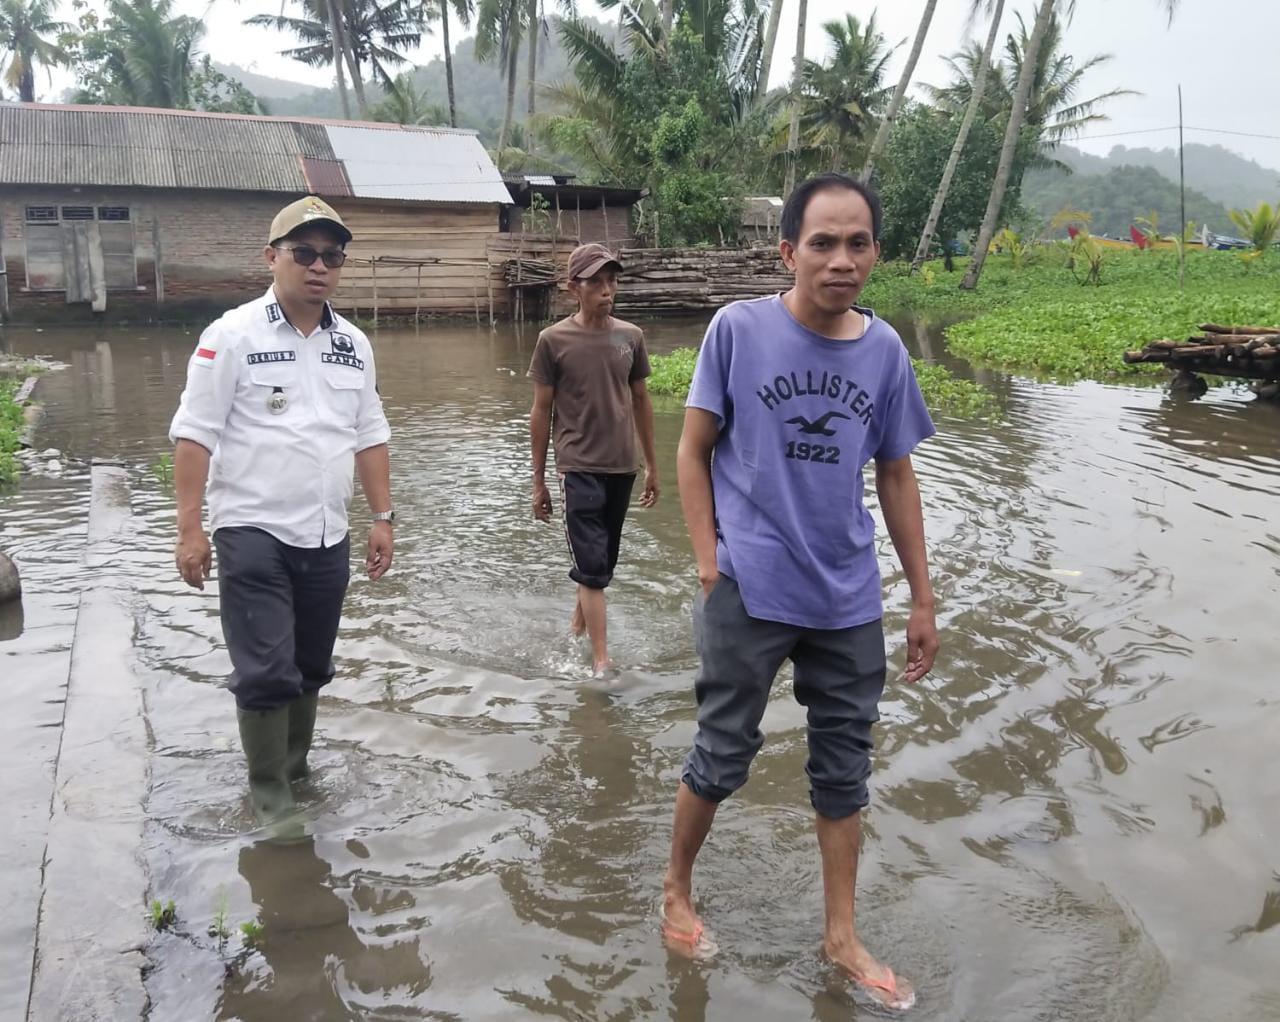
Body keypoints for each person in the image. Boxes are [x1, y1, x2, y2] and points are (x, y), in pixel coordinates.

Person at [660, 173, 939, 1012]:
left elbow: (895, 473)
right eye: (822, 242)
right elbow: (692, 449)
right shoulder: (737, 331)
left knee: (844, 768)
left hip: (847, 598)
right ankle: (676, 889)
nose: (841, 259)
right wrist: (711, 564)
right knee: (723, 751)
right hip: (749, 587)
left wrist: (922, 598)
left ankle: (841, 934)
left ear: (876, 254)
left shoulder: (885, 350)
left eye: (857, 243)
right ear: (788, 252)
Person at [169, 195, 394, 824]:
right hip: (251, 528)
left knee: (310, 663)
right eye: (305, 252)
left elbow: (370, 431)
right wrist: (191, 530)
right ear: (273, 257)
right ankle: (269, 792)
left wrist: (383, 516)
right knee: (266, 668)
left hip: (327, 531)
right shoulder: (231, 335)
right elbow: (195, 435)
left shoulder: (353, 343)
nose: (319, 266)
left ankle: (296, 768)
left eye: (332, 255)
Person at [528, 243, 659, 676]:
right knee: (591, 567)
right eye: (597, 282)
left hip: (622, 465)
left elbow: (641, 401)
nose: (608, 290)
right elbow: (540, 411)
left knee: (600, 564)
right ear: (574, 288)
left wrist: (653, 467)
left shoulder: (630, 337)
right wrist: (539, 481)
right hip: (578, 466)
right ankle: (602, 662)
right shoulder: (553, 341)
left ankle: (576, 629)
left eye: (612, 281)